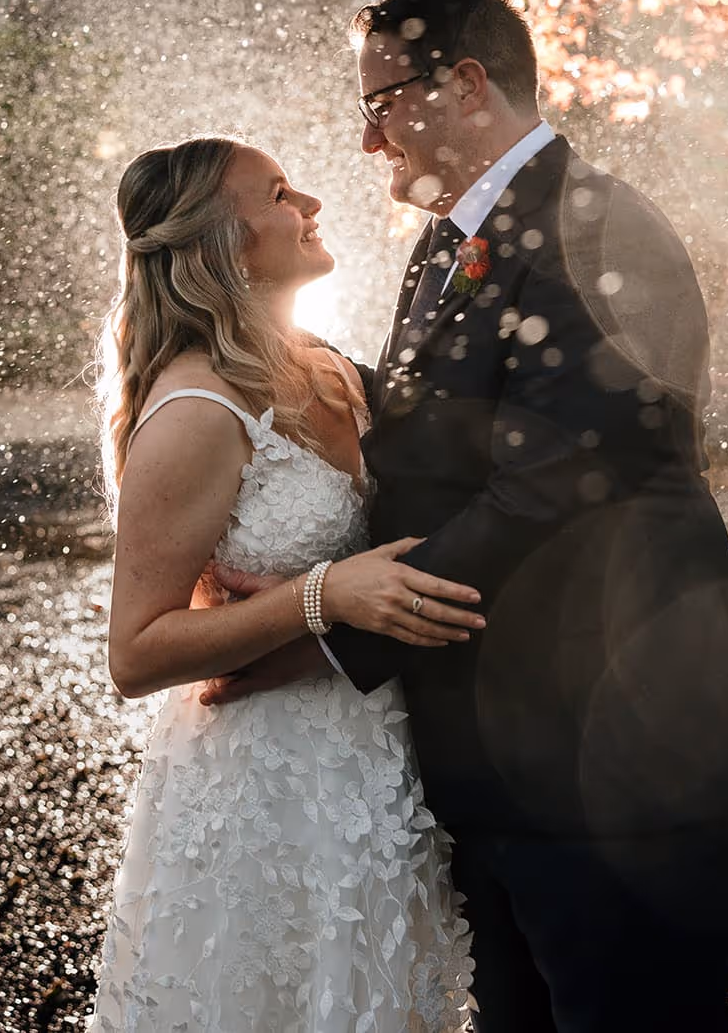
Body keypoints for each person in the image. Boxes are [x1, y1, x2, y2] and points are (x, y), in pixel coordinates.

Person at [202, 0, 728, 1033]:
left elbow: (546, 492)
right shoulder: (451, 236)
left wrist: (318, 626)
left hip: (613, 767)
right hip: (504, 766)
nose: (369, 142)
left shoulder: (598, 231)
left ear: (464, 85)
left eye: (379, 105)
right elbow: (444, 439)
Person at [86, 135, 475, 1033]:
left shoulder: (332, 368)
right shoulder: (194, 412)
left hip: (380, 755)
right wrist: (322, 596)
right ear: (222, 241)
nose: (312, 203)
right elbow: (135, 653)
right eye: (279, 193)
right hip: (272, 782)